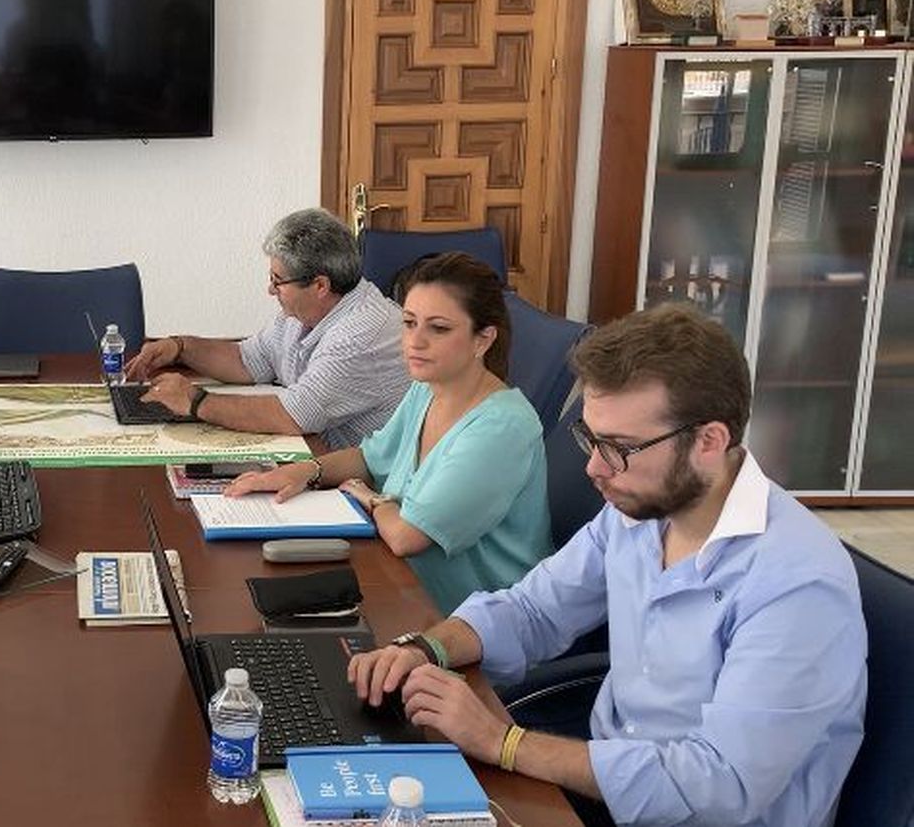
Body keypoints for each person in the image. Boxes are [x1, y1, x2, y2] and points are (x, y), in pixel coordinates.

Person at [345, 304, 867, 827]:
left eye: (618, 448)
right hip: (608, 784)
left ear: (709, 441)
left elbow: (718, 785)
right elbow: (533, 610)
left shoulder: (797, 584)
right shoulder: (639, 510)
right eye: (590, 438)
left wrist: (503, 743)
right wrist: (428, 646)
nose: (594, 467)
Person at [226, 252, 549, 613]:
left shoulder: (501, 429)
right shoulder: (429, 386)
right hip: (404, 586)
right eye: (409, 323)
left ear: (482, 340)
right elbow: (368, 457)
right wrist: (304, 472)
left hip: (469, 622)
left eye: (438, 328)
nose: (416, 341)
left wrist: (373, 500)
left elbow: (407, 536)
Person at [124, 207, 408, 449]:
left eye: (277, 280)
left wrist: (195, 402)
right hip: (314, 454)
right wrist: (179, 348)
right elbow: (248, 360)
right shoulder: (303, 313)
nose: (270, 290)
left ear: (320, 285)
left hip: (365, 484)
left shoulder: (361, 333)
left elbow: (292, 415)